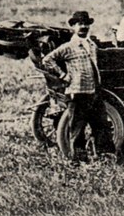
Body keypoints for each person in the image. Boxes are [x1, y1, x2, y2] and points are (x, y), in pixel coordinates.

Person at [42, 11, 116, 160]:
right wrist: (63, 76)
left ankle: (105, 157)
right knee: (77, 128)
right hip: (78, 92)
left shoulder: (91, 45)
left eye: (86, 24)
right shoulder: (69, 46)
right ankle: (79, 160)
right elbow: (47, 60)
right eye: (79, 24)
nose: (83, 27)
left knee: (101, 125)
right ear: (73, 26)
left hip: (94, 91)